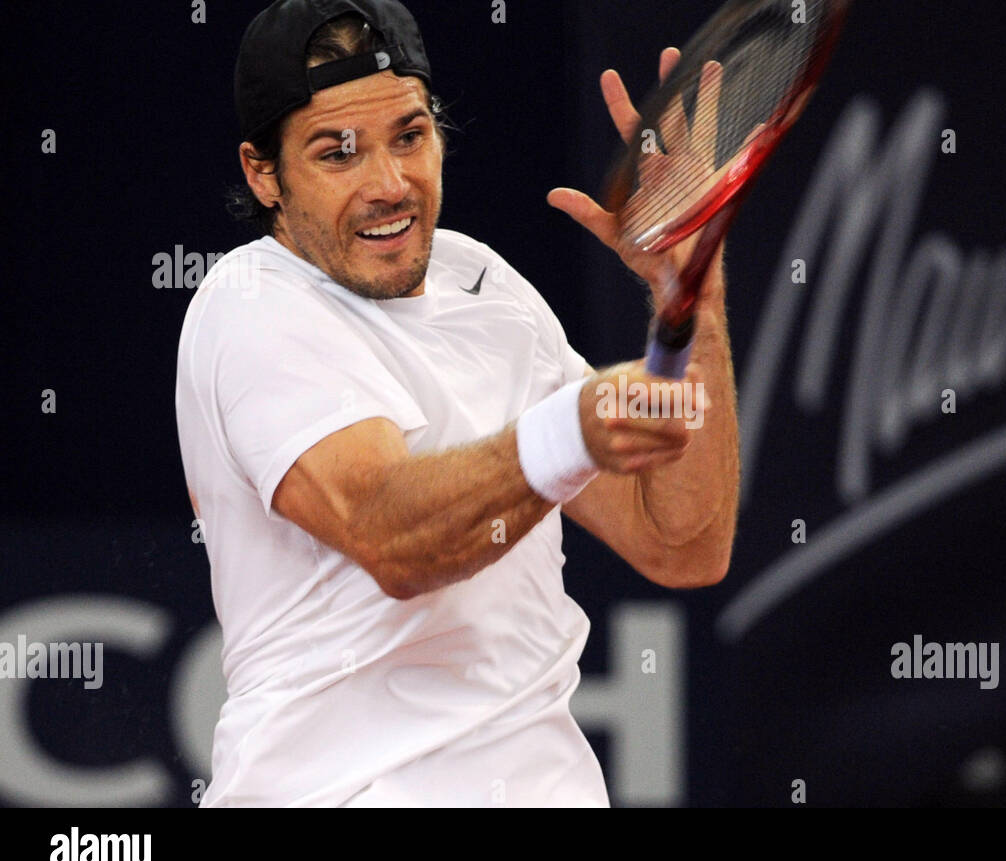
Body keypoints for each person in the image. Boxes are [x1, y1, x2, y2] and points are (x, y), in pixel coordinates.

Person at [174, 0, 738, 807]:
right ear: (263, 173)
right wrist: (568, 431)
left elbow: (683, 544)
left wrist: (696, 304)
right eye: (338, 153)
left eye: (409, 136)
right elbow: (391, 534)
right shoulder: (250, 304)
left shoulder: (486, 282)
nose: (390, 184)